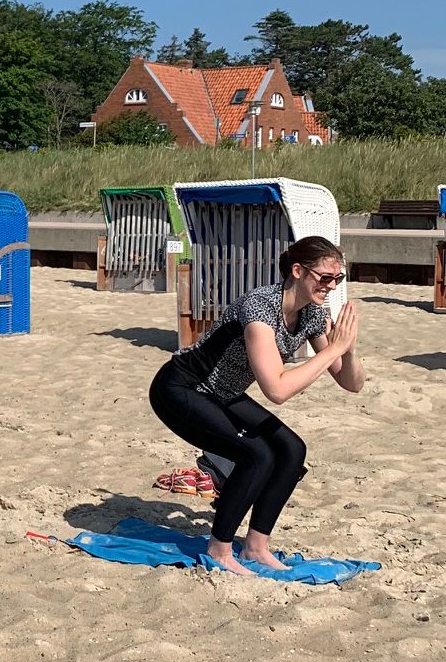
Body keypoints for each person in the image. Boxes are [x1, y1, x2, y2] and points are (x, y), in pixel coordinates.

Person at [148, 235, 365, 574]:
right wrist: (333, 350)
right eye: (325, 277)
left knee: (292, 449)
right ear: (297, 271)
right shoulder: (260, 307)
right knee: (257, 455)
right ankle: (219, 550)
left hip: (222, 392)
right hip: (180, 387)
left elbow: (352, 383)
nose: (333, 286)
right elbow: (276, 389)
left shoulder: (311, 314)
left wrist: (346, 349)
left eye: (339, 278)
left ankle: (255, 547)